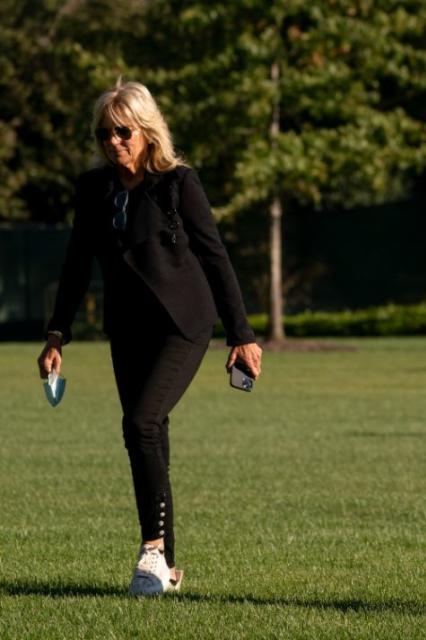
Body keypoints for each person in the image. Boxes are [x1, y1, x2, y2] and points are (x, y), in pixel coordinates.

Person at [36, 80, 263, 597]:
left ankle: (152, 552)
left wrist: (242, 334)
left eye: (122, 132)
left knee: (140, 421)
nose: (112, 143)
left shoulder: (178, 183)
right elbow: (76, 265)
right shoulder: (94, 189)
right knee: (150, 434)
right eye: (103, 134)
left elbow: (214, 256)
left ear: (145, 130)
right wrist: (57, 335)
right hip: (128, 327)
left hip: (183, 324)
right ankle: (168, 570)